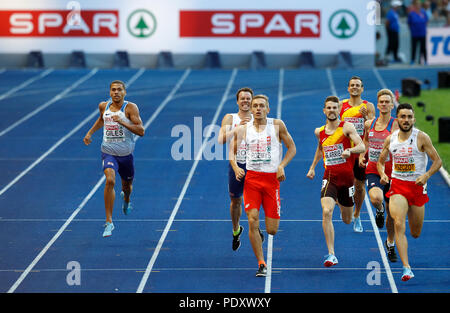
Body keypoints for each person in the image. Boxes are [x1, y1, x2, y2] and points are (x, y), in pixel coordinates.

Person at [230, 94, 296, 276]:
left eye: (261, 106)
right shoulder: (243, 130)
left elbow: (292, 148)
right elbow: (232, 151)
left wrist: (281, 166)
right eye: (255, 106)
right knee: (251, 219)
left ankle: (259, 233)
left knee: (272, 230)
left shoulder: (277, 125)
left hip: (271, 181)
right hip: (252, 180)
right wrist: (236, 167)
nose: (258, 109)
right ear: (250, 109)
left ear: (268, 109)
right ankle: (261, 263)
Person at [377, 103, 442, 281]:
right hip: (398, 186)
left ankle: (403, 255)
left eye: (409, 117)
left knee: (415, 232)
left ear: (413, 119)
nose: (406, 120)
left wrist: (427, 175)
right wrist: (382, 173)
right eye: (403, 116)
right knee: (398, 222)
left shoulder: (422, 138)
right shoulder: (391, 139)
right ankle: (406, 268)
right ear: (397, 119)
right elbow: (380, 161)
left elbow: (437, 161)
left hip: (417, 188)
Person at [307, 96, 365, 267]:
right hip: (329, 178)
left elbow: (362, 146)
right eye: (328, 108)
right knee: (326, 211)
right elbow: (320, 149)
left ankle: (347, 208)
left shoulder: (346, 127)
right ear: (324, 111)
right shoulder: (320, 131)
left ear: (339, 110)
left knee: (347, 220)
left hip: (347, 181)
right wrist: (312, 167)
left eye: (334, 107)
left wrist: (350, 150)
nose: (332, 110)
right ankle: (331, 254)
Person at [83, 80, 145, 237]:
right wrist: (90, 133)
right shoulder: (103, 106)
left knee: (127, 187)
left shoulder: (130, 108)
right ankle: (109, 222)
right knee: (110, 180)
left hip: (126, 156)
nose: (116, 92)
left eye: (119, 90)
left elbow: (141, 131)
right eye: (113, 90)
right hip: (108, 152)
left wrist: (123, 122)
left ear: (124, 93)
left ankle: (127, 199)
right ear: (110, 92)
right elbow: (102, 119)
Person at [360, 89, 399, 262]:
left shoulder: (397, 124)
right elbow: (366, 140)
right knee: (376, 198)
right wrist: (363, 154)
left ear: (392, 105)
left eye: (387, 102)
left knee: (394, 216)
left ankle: (390, 244)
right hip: (374, 170)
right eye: (381, 102)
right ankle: (379, 210)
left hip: (394, 174)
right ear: (378, 104)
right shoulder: (370, 123)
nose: (384, 104)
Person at [218, 87, 253, 251]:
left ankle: (255, 229)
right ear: (237, 101)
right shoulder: (229, 118)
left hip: (256, 164)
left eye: (248, 98)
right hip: (237, 164)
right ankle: (236, 229)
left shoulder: (259, 117)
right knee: (236, 201)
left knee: (254, 201)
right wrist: (237, 129)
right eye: (243, 98)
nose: (245, 101)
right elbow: (221, 140)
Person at [339, 76, 376, 232]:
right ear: (348, 88)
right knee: (342, 185)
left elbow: (374, 129)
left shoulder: (369, 106)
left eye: (358, 85)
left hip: (361, 151)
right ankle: (344, 204)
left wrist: (366, 118)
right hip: (344, 152)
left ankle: (357, 215)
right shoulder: (340, 105)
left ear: (362, 89)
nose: (355, 87)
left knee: (359, 187)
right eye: (352, 85)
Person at [408, 0, 429, 65]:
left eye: (419, 4)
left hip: (422, 33)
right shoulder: (411, 14)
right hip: (414, 34)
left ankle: (425, 60)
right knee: (414, 47)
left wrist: (423, 27)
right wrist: (412, 30)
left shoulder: (423, 12)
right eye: (417, 4)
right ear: (414, 5)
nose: (418, 5)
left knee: (423, 48)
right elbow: (409, 23)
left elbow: (427, 21)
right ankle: (412, 60)